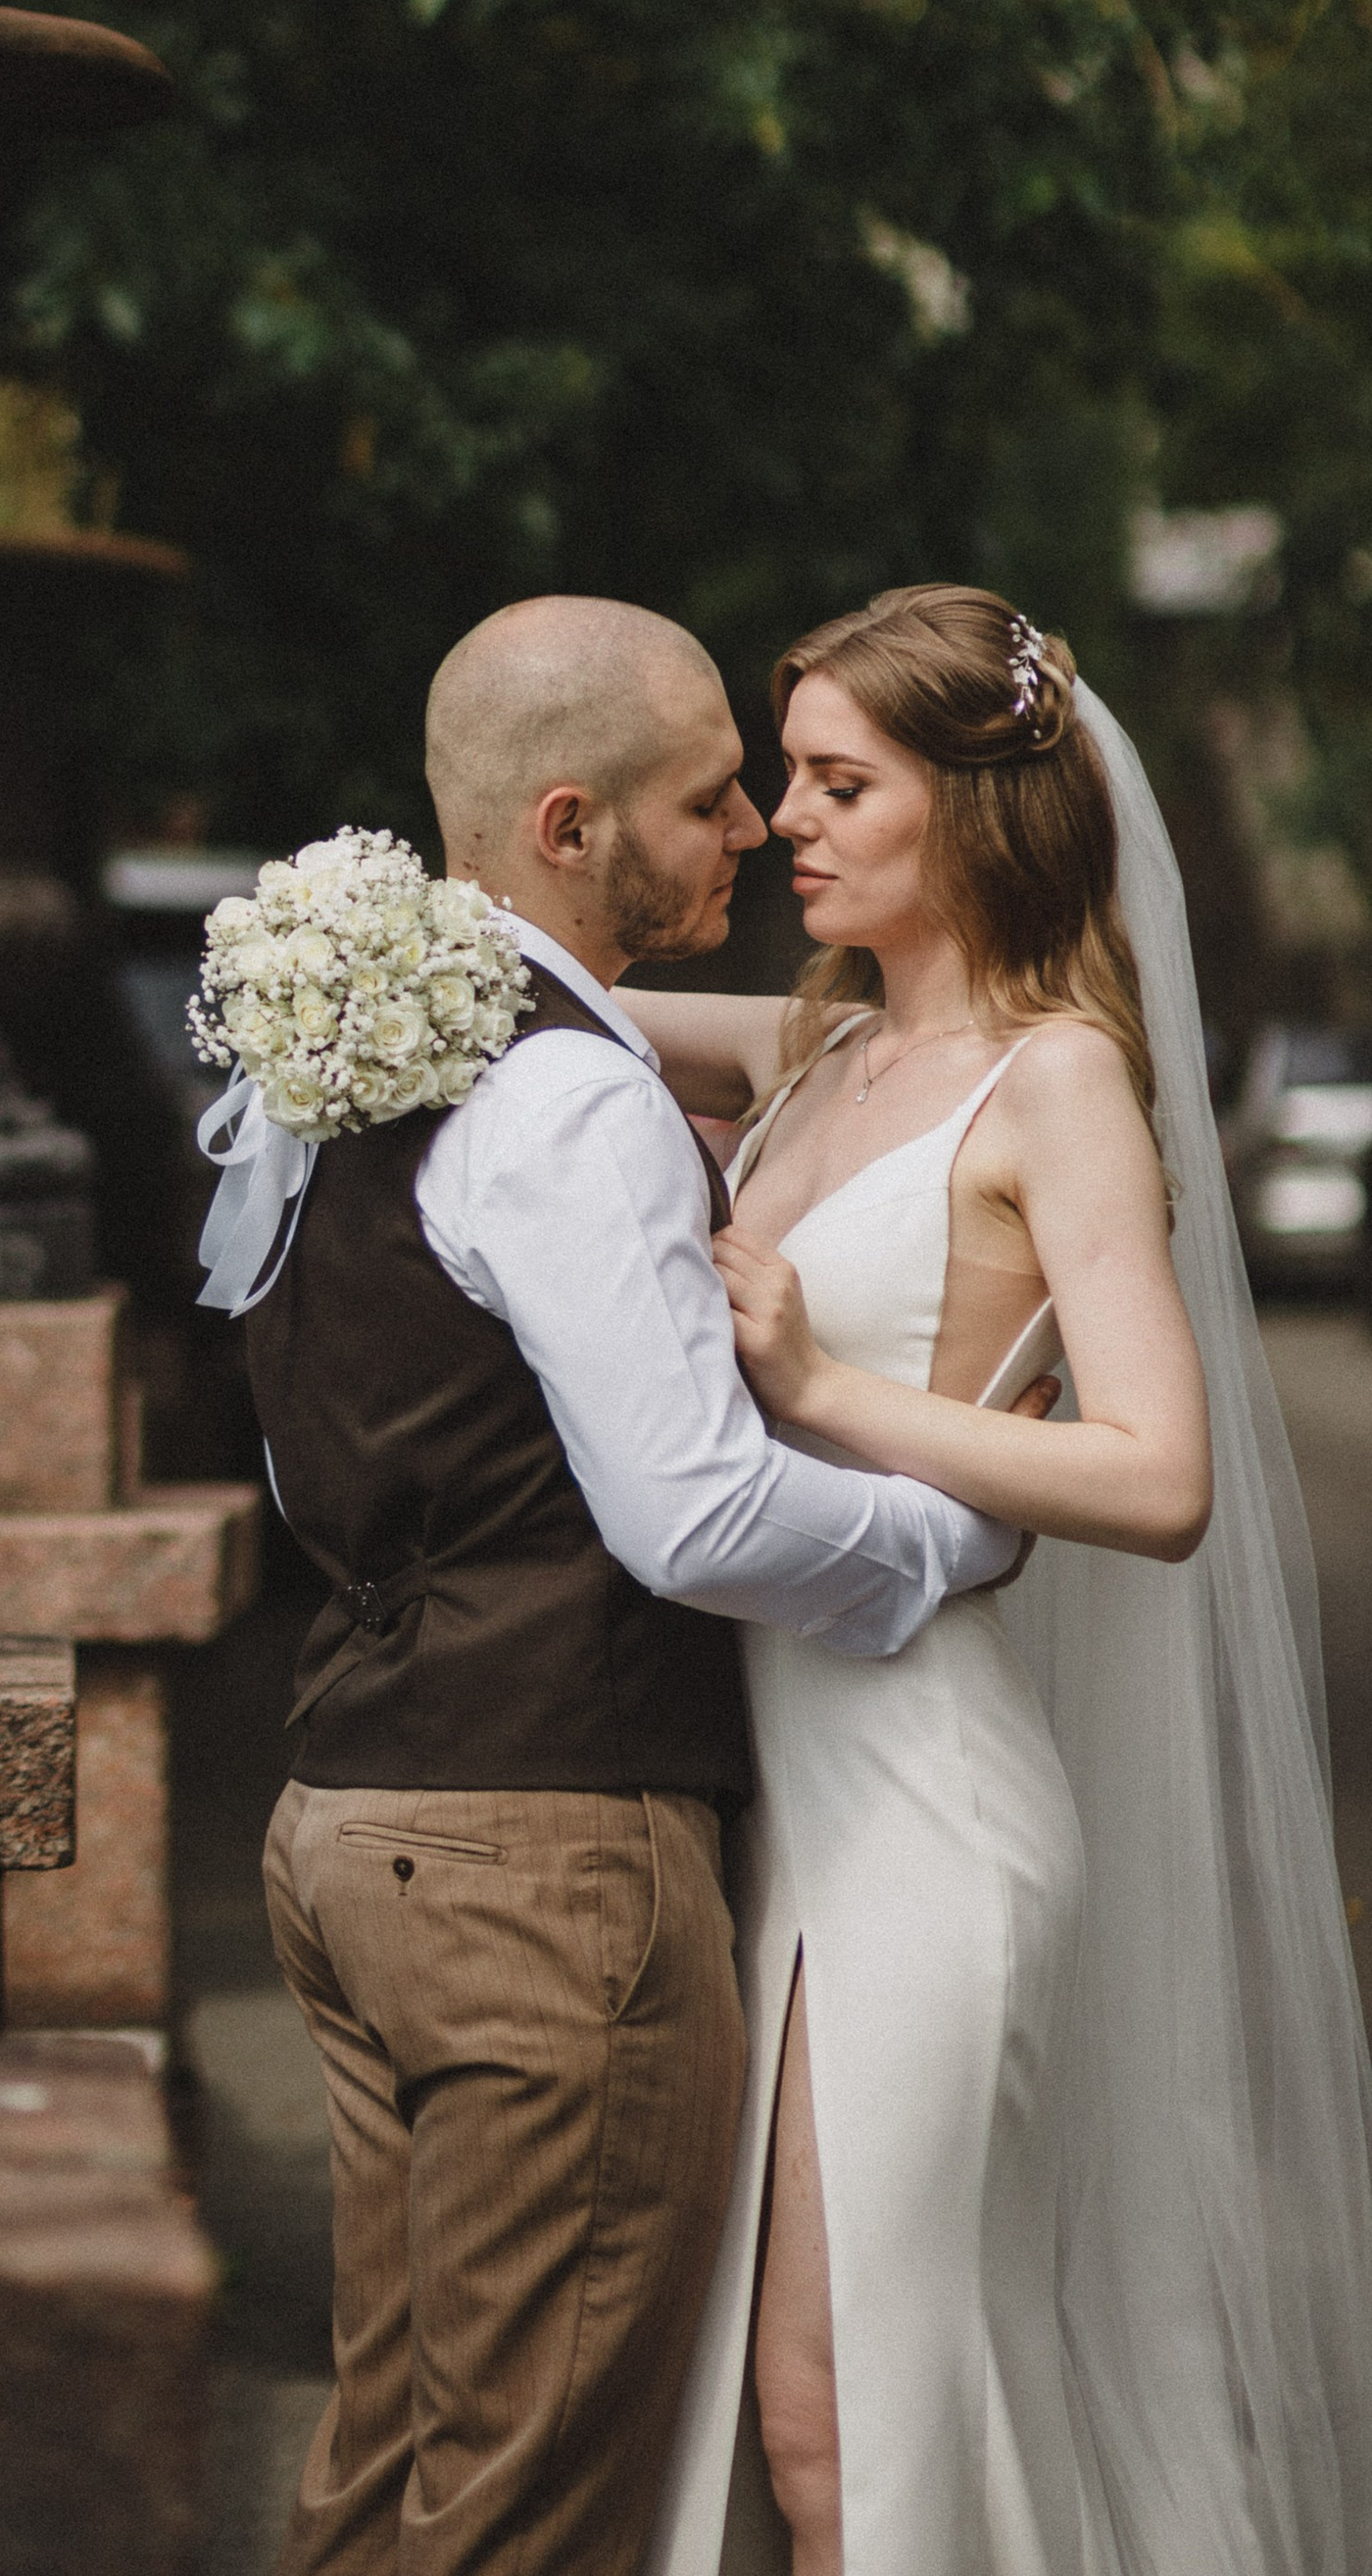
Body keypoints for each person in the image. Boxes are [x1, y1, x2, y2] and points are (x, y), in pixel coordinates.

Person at [207, 596, 1024, 2576]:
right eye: (706, 797)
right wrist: (943, 1539)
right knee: (525, 2510)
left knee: (393, 2471)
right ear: (568, 825)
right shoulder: (570, 1097)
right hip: (537, 1861)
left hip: (345, 1820)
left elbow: (313, 1436)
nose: (749, 831)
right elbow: (689, 1519)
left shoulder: (338, 1043)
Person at [623, 585, 1372, 2576]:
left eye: (833, 780)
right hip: (781, 1798)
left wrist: (813, 1383)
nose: (780, 816)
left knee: (840, 2422)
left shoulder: (1050, 1084)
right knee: (811, 2424)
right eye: (782, 775)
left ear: (974, 807)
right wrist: (359, 944)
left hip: (923, 1807)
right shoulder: (824, 1044)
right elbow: (555, 1010)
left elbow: (1154, 1475)